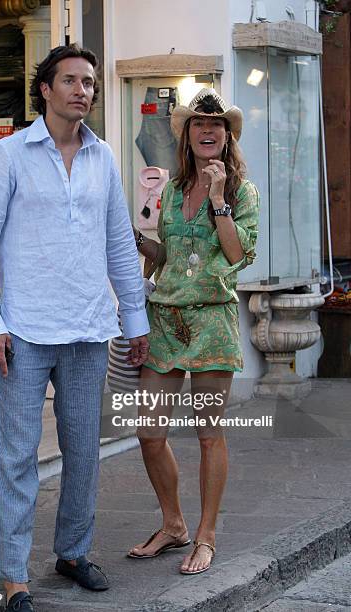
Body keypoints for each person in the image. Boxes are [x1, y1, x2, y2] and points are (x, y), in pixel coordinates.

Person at [0, 44, 150, 612]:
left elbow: (120, 243)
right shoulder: (8, 155)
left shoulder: (104, 157)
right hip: (21, 330)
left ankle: (72, 553)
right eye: (70, 80)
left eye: (89, 82)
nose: (82, 90)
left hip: (89, 328)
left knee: (83, 452)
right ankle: (13, 576)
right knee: (17, 455)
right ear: (44, 89)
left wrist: (134, 316)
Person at [128, 89, 259, 575]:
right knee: (148, 431)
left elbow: (236, 256)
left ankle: (205, 535)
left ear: (228, 137)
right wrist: (138, 239)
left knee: (208, 434)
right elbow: (169, 260)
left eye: (217, 125)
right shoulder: (174, 188)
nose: (208, 131)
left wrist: (220, 198)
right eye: (200, 124)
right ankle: (173, 523)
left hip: (211, 323)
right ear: (187, 135)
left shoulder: (244, 192)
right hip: (166, 320)